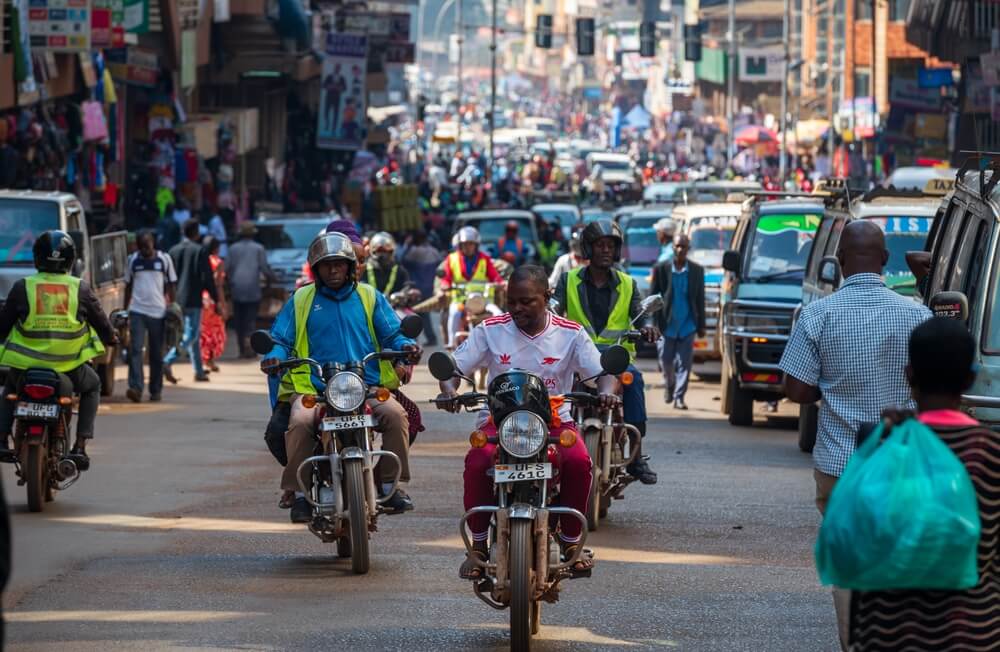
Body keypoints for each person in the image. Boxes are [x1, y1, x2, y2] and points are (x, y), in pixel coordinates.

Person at [779, 220, 931, 649]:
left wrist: (833, 383)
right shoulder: (917, 314)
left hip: (840, 467)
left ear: (839, 261)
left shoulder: (817, 315)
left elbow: (797, 390)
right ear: (885, 261)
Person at [436, 266, 617, 578]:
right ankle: (478, 546)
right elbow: (455, 369)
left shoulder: (570, 333)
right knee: (478, 462)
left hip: (554, 423)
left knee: (579, 463)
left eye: (526, 301)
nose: (517, 308)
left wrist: (606, 393)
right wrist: (450, 389)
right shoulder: (489, 330)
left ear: (546, 298)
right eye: (511, 301)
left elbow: (603, 374)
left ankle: (571, 542)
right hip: (498, 422)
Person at [849, 318, 999, 652]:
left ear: (909, 375)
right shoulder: (990, 453)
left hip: (887, 632)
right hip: (971, 632)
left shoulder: (882, 444)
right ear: (971, 379)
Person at [262, 232, 420, 522]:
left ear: (350, 266)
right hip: (316, 387)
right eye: (326, 265)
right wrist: (273, 356)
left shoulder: (370, 296)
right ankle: (300, 494)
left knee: (396, 416)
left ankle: (389, 485)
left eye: (339, 264)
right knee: (299, 423)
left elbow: (392, 333)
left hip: (366, 385)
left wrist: (405, 347)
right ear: (316, 269)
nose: (333, 270)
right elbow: (280, 340)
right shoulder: (301, 299)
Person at [553, 220, 660, 485]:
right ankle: (540, 445)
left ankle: (635, 455)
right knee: (549, 384)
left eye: (611, 246)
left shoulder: (627, 283)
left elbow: (639, 313)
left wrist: (647, 328)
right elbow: (553, 307)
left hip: (615, 358)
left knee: (633, 381)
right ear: (588, 248)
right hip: (578, 356)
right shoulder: (568, 280)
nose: (606, 251)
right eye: (600, 245)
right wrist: (548, 315)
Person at [0, 231, 116, 468]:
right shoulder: (80, 289)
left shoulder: (23, 287)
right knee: (93, 385)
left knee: (9, 391)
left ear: (37, 258)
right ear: (71, 260)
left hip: (25, 367)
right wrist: (112, 337)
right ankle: (80, 446)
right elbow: (102, 324)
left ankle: (2, 439)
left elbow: (3, 326)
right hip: (69, 367)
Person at [651, 233, 705, 410]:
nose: (681, 249)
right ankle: (669, 384)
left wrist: (701, 325)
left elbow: (700, 299)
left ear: (688, 249)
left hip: (688, 325)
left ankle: (679, 397)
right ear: (672, 247)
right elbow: (653, 298)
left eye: (684, 246)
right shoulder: (661, 269)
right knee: (666, 361)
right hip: (667, 325)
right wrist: (654, 324)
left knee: (685, 364)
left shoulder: (697, 271)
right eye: (678, 246)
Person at [124, 231, 177, 403]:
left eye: (148, 245)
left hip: (158, 312)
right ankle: (136, 388)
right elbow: (128, 286)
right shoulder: (132, 260)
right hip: (137, 310)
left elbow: (171, 284)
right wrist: (125, 311)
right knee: (135, 350)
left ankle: (155, 390)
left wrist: (172, 306)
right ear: (138, 246)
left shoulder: (164, 259)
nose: (146, 249)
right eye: (142, 246)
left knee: (156, 353)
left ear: (153, 243)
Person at [165, 219, 219, 382]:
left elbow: (168, 277)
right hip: (194, 298)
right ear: (196, 233)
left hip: (177, 299)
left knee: (193, 334)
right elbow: (207, 278)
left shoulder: (173, 250)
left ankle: (199, 371)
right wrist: (216, 298)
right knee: (192, 334)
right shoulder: (200, 251)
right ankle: (167, 360)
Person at [440, 226, 504, 349]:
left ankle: (500, 343)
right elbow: (446, 278)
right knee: (454, 313)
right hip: (461, 300)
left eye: (471, 244)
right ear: (460, 245)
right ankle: (452, 343)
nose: (468, 247)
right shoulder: (451, 258)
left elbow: (495, 277)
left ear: (476, 245)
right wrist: (445, 285)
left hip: (483, 301)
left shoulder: (484, 259)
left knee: (498, 313)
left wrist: (500, 284)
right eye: (465, 244)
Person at [226, 221, 275, 358]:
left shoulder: (233, 248)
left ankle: (242, 350)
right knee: (250, 321)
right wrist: (271, 282)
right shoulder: (259, 248)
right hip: (253, 290)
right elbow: (265, 269)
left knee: (239, 321)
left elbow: (226, 269)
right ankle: (250, 348)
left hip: (236, 289)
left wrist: (227, 286)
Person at [399, 230, 443, 347]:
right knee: (424, 313)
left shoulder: (413, 252)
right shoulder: (434, 251)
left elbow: (401, 260)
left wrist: (406, 245)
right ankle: (429, 337)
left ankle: (416, 339)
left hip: (416, 288)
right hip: (429, 287)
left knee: (415, 313)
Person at [200, 236, 228, 373]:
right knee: (215, 331)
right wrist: (222, 304)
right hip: (212, 300)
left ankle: (204, 361)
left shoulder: (201, 260)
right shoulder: (218, 262)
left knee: (204, 331)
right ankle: (209, 360)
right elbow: (218, 285)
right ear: (217, 248)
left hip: (201, 299)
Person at [366, 231, 410, 296]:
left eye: (385, 251)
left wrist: (403, 293)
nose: (382, 255)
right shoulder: (364, 269)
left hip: (393, 305)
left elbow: (407, 286)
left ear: (392, 251)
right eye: (379, 251)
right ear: (373, 251)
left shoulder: (400, 270)